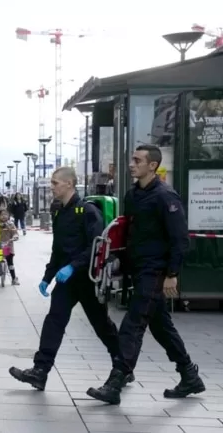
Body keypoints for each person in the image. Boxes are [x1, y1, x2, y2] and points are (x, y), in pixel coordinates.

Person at [87, 145, 203, 405]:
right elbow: (126, 231)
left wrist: (172, 273)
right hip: (137, 270)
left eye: (138, 160)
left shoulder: (165, 196)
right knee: (161, 326)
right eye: (132, 159)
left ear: (152, 166)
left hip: (155, 271)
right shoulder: (133, 195)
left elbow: (179, 238)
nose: (132, 164)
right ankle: (189, 375)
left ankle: (116, 381)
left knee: (133, 324)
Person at [9, 167, 124, 391]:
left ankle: (123, 365)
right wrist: (48, 276)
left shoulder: (88, 211)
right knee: (54, 321)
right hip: (66, 280)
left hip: (86, 279)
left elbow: (96, 245)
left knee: (102, 325)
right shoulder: (59, 211)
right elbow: (58, 249)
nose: (52, 187)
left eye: (55, 183)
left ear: (69, 183)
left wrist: (73, 266)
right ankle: (40, 371)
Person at [0, 208, 20, 286]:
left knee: (10, 263)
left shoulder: (11, 224)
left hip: (8, 246)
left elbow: (15, 233)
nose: (4, 216)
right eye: (2, 215)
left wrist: (14, 237)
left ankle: (13, 279)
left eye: (6, 214)